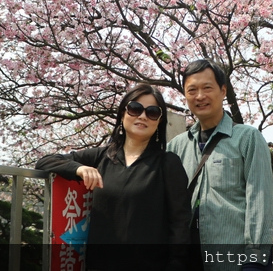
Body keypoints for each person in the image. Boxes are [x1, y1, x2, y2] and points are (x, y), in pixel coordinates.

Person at [36, 83, 191, 271]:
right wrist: (80, 169)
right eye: (135, 108)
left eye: (152, 112)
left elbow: (180, 223)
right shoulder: (101, 157)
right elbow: (46, 161)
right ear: (123, 113)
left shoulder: (168, 164)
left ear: (159, 121)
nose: (142, 116)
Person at [167, 59, 273, 271]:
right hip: (186, 259)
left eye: (207, 88)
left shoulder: (247, 138)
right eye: (192, 90)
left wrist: (255, 259)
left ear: (223, 90)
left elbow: (259, 200)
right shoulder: (176, 147)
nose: (200, 96)